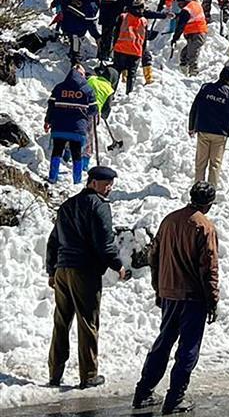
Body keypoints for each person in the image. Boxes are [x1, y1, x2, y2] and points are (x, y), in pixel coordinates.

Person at [132, 182, 219, 414]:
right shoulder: (205, 226)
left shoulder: (169, 220)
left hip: (169, 293)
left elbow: (154, 255)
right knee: (188, 349)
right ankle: (175, 398)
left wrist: (158, 288)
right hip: (193, 298)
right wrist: (212, 300)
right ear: (209, 203)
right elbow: (208, 266)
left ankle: (143, 391)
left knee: (163, 343)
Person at [47, 165, 129, 390]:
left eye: (111, 183)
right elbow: (104, 242)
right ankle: (89, 375)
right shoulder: (99, 206)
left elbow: (53, 240)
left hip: (63, 269)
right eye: (106, 183)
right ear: (93, 183)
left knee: (61, 322)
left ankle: (55, 373)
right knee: (87, 323)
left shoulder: (66, 205)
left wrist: (51, 270)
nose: (109, 187)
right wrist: (118, 266)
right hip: (84, 271)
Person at [45, 65, 98, 184]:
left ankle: (52, 177)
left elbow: (51, 106)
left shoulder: (59, 88)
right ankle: (77, 180)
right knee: (77, 154)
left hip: (59, 127)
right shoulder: (87, 90)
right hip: (77, 129)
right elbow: (94, 110)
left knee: (57, 151)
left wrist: (47, 121)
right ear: (82, 75)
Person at [189, 67, 229, 188]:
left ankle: (198, 190)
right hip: (220, 134)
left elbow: (194, 108)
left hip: (204, 131)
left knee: (200, 163)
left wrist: (191, 126)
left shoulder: (205, 88)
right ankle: (210, 193)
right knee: (215, 165)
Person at [112, 0, 149, 94]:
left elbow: (116, 33)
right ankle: (129, 93)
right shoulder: (144, 21)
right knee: (131, 74)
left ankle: (111, 93)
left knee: (117, 72)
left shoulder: (123, 17)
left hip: (120, 49)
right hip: (136, 51)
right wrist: (143, 51)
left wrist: (113, 46)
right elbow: (145, 39)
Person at [172, 0, 208, 76]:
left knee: (192, 54)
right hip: (200, 32)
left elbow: (180, 26)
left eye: (180, 4)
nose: (179, 6)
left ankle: (193, 72)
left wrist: (175, 38)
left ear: (184, 2)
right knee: (185, 54)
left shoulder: (186, 10)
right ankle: (184, 69)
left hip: (196, 33)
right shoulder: (194, 4)